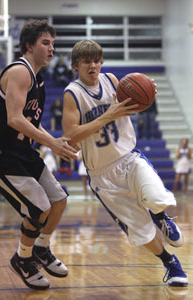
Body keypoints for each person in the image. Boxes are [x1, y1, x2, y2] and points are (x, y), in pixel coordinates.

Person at [62, 39, 188, 287]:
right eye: (87, 61)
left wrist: (147, 91)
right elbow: (71, 136)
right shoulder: (72, 94)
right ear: (77, 65)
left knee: (156, 196)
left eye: (97, 60)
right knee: (140, 231)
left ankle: (162, 217)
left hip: (130, 158)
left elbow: (135, 101)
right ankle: (170, 263)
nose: (93, 65)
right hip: (102, 175)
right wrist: (107, 116)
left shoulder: (112, 81)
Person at [0, 19, 78, 290]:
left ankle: (40, 249)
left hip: (22, 151)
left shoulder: (37, 78)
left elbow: (31, 120)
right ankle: (23, 258)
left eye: (53, 43)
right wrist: (52, 145)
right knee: (39, 207)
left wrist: (53, 139)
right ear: (29, 46)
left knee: (59, 200)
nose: (52, 49)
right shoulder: (20, 72)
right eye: (45, 43)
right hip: (1, 154)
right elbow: (15, 119)